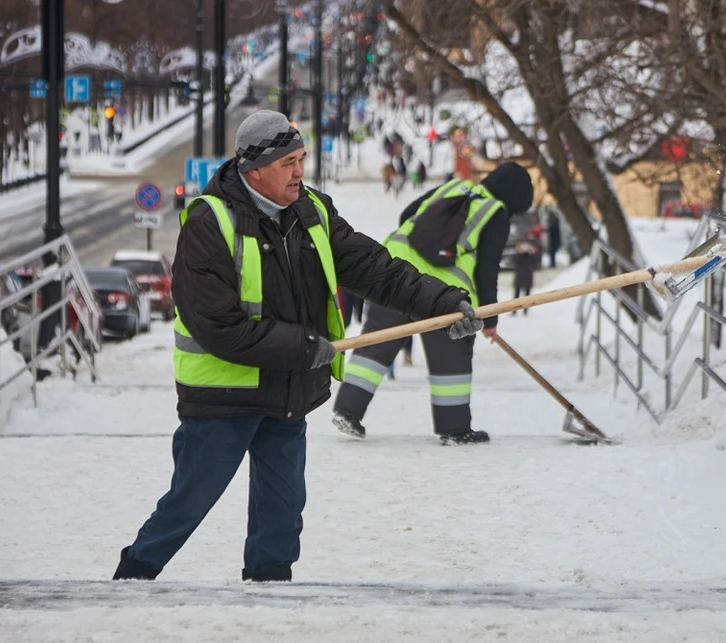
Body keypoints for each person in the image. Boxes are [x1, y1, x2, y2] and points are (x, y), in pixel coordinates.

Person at [112, 110, 481, 583]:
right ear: (255, 169)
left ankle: (270, 598)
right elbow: (217, 325)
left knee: (282, 517)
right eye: (288, 162)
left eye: (302, 159)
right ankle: (131, 580)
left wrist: (444, 302)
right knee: (188, 504)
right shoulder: (211, 223)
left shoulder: (314, 212)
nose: (299, 171)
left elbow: (377, 270)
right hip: (223, 399)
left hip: (287, 393)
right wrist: (304, 348)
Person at [332, 162, 534, 445]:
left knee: (375, 344)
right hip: (445, 294)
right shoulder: (495, 213)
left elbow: (408, 213)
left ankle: (347, 410)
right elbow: (487, 268)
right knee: (451, 356)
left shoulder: (452, 186)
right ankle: (454, 429)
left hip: (395, 273)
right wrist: (490, 319)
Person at [511, 233, 541, 314]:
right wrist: (519, 252)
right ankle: (514, 310)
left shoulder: (531, 255)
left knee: (527, 295)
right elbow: (513, 260)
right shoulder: (518, 255)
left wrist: (533, 252)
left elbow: (537, 261)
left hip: (528, 275)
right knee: (516, 294)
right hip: (519, 275)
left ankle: (526, 310)